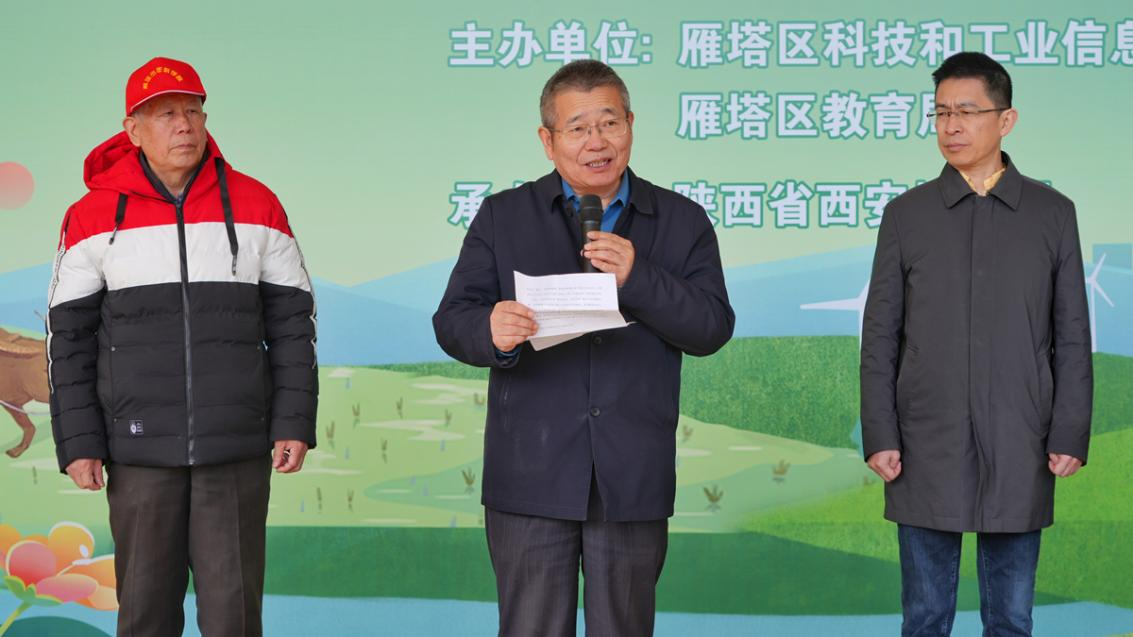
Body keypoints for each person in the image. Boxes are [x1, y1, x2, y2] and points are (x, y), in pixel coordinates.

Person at [433, 59, 734, 636]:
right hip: (530, 474)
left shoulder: (682, 220)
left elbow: (711, 327)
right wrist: (491, 330)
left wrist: (639, 277)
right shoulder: (503, 217)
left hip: (631, 475)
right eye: (577, 128)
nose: (597, 142)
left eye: (609, 123)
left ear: (631, 125)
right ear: (548, 141)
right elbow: (452, 320)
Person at [47, 56, 318, 637]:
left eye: (192, 111)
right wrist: (79, 441)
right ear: (133, 129)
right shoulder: (91, 217)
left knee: (234, 619)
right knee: (144, 615)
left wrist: (293, 422)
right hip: (138, 451)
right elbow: (67, 340)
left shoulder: (258, 204)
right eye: (165, 114)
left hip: (235, 449)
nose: (183, 125)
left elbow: (294, 325)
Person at [860, 51, 1092, 637]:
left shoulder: (1052, 213)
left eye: (966, 112)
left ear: (1006, 120)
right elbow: (881, 334)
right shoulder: (906, 215)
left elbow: (1071, 334)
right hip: (924, 439)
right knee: (925, 617)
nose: (951, 126)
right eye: (941, 113)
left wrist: (1068, 431)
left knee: (1011, 618)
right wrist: (881, 432)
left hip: (1021, 436)